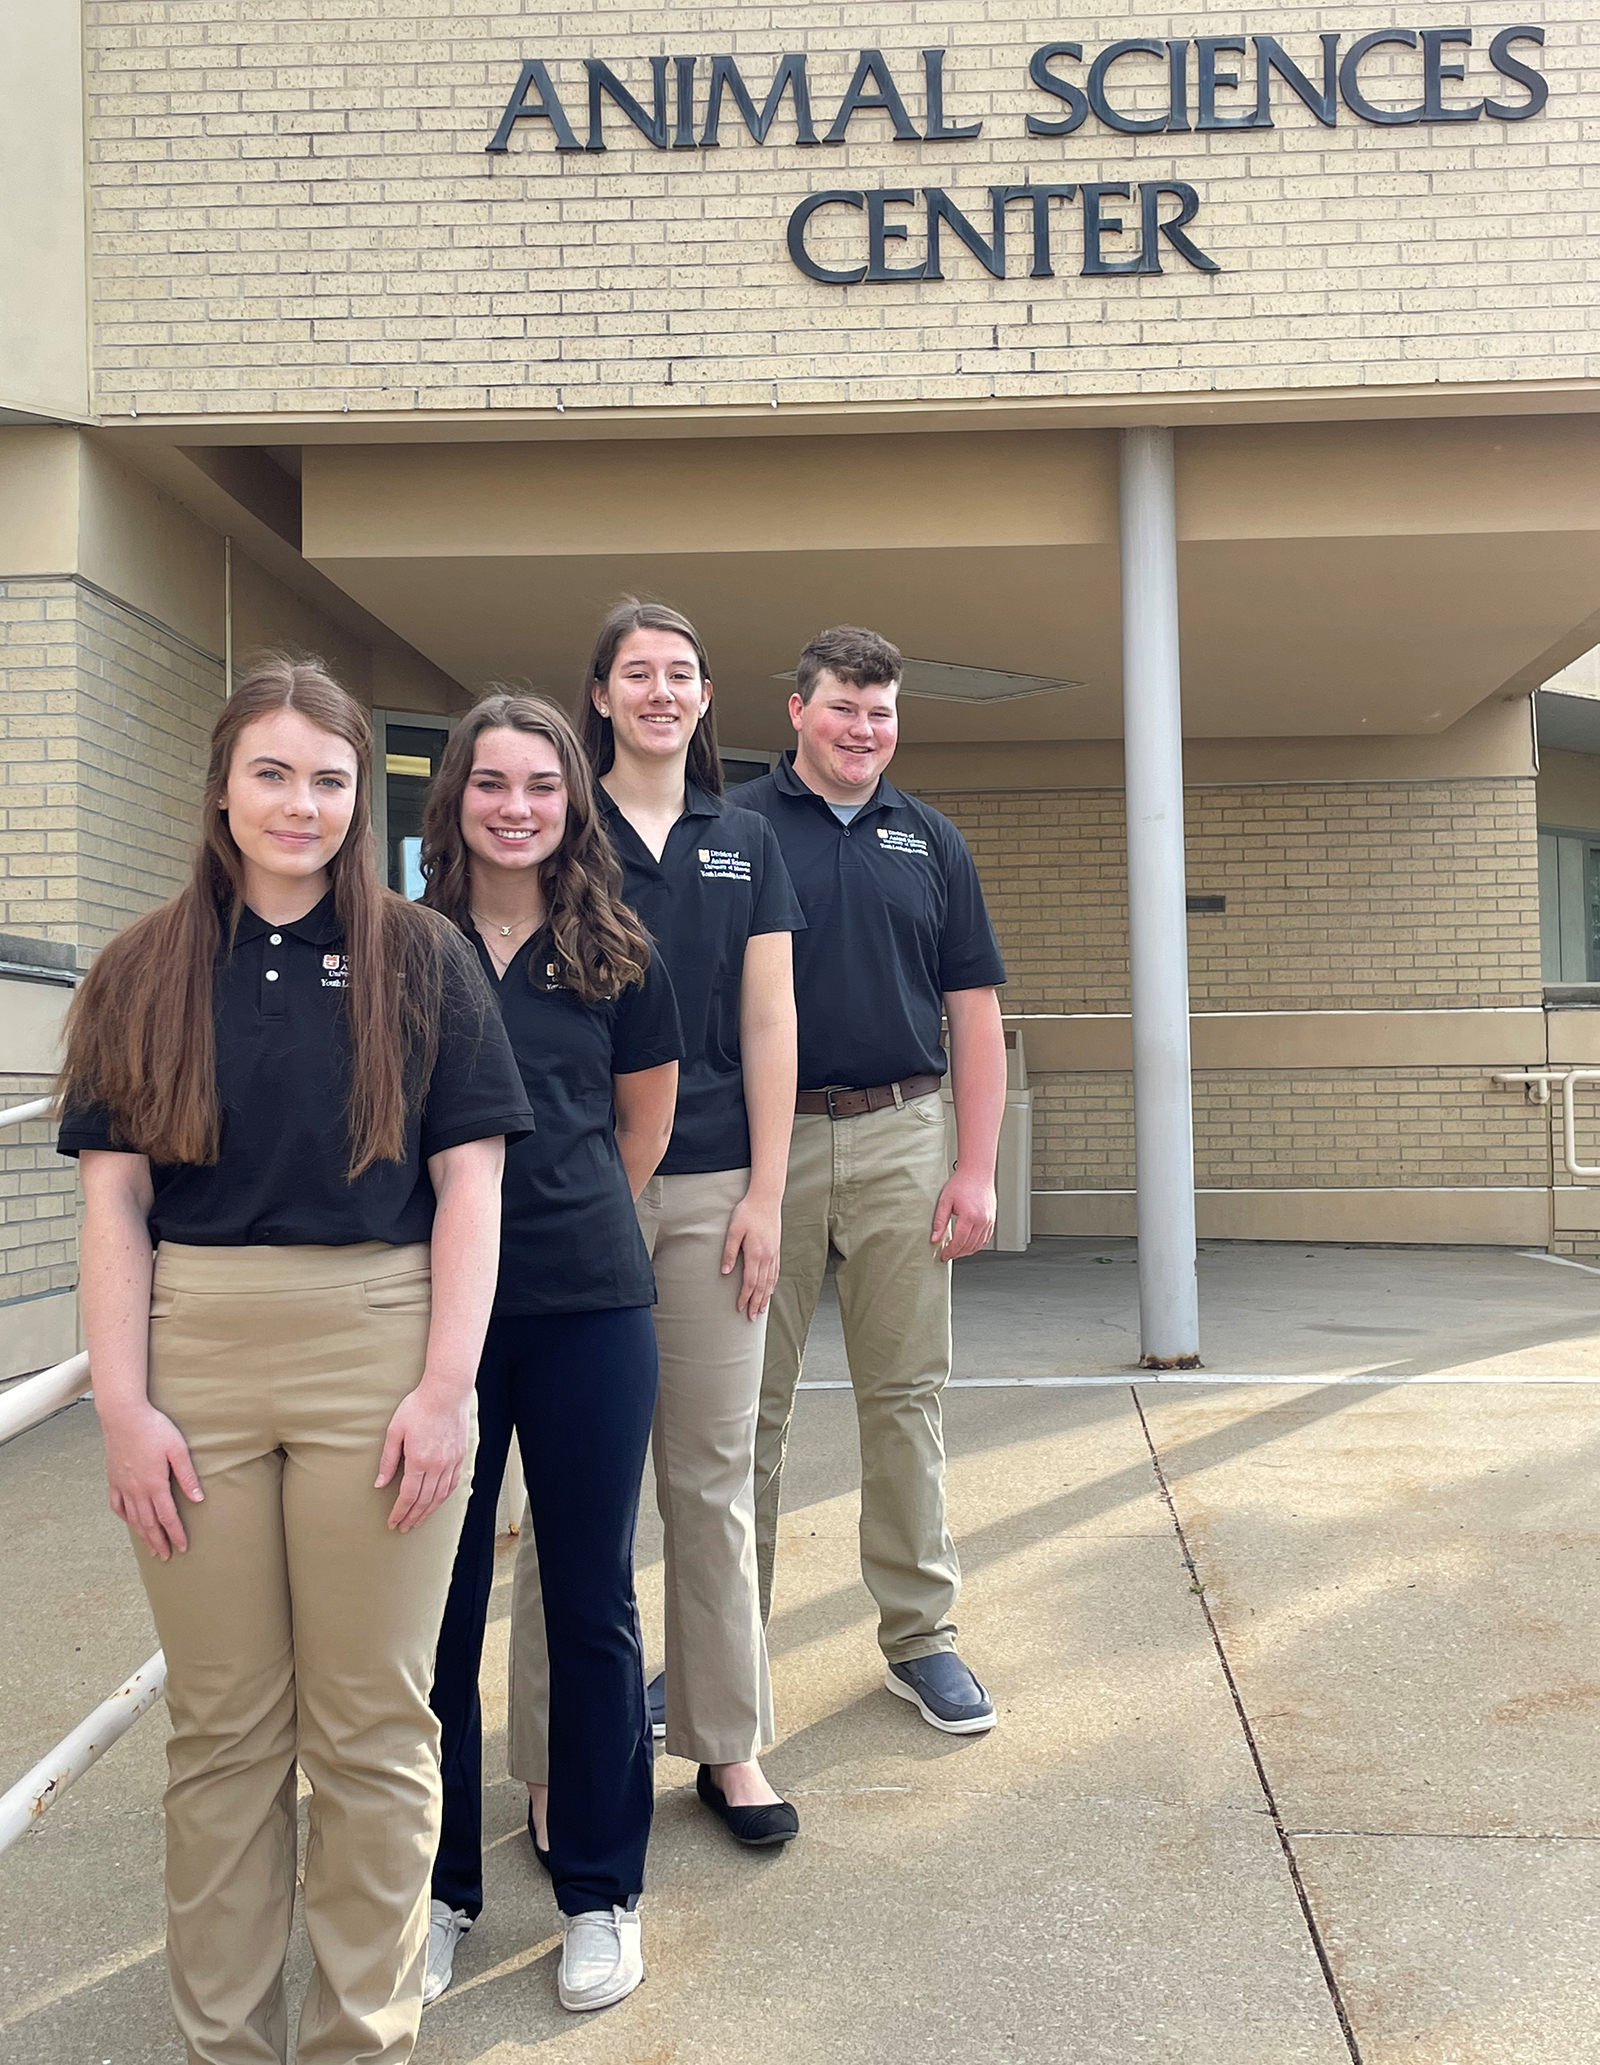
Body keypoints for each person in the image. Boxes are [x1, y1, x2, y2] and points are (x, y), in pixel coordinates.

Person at [55, 656, 534, 2065]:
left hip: (378, 1350)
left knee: (374, 1726)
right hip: (192, 1354)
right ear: (221, 787)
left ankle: (361, 2037)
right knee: (221, 1736)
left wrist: (447, 1390)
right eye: (272, 772)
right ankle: (224, 2044)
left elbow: (473, 1190)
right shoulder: (145, 967)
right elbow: (113, 1207)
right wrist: (125, 1401)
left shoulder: (422, 957)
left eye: (331, 779)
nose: (303, 803)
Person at [507, 598, 806, 1847]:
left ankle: (727, 1746)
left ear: (701, 698)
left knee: (711, 1476)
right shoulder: (556, 840)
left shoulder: (745, 841)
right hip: (580, 1197)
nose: (663, 691)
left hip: (714, 1193)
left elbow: (771, 1020)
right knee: (573, 1495)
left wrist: (767, 1193)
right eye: (638, 672)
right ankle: (549, 1755)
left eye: (682, 673)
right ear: (599, 695)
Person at [418, 692, 683, 2013]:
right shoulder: (404, 950)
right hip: (431, 1333)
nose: (514, 805)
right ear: (453, 795)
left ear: (572, 803)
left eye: (539, 785)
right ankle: (439, 1889)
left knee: (589, 1609)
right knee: (437, 1618)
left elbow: (639, 1132)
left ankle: (601, 1890)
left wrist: (564, 1221)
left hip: (590, 1314)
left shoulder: (621, 949)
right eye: (490, 782)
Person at [741, 625, 1009, 1735]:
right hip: (768, 1147)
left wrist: (976, 1165)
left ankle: (918, 1637)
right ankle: (722, 1644)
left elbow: (975, 1012)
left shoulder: (930, 840)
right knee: (738, 1410)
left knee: (905, 1398)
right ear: (798, 711)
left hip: (904, 1133)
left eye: (882, 711)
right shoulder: (735, 829)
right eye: (844, 707)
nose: (864, 730)